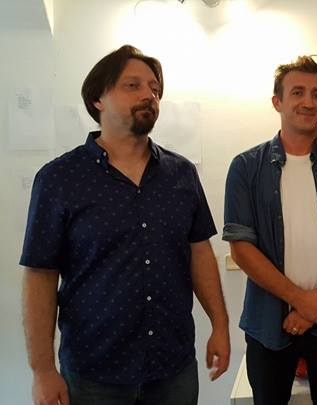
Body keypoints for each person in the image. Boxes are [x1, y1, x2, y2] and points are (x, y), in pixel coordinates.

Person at [20, 45, 230, 405]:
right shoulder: (59, 179)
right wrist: (42, 370)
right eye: (132, 86)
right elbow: (40, 276)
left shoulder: (181, 174)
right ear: (98, 99)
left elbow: (200, 253)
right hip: (94, 373)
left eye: (154, 88)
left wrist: (220, 326)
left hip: (173, 367)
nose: (149, 95)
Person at [223, 55, 317, 405]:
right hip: (267, 323)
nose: (308, 102)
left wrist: (316, 304)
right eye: (297, 92)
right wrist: (300, 299)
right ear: (277, 101)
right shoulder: (245, 168)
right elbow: (241, 248)